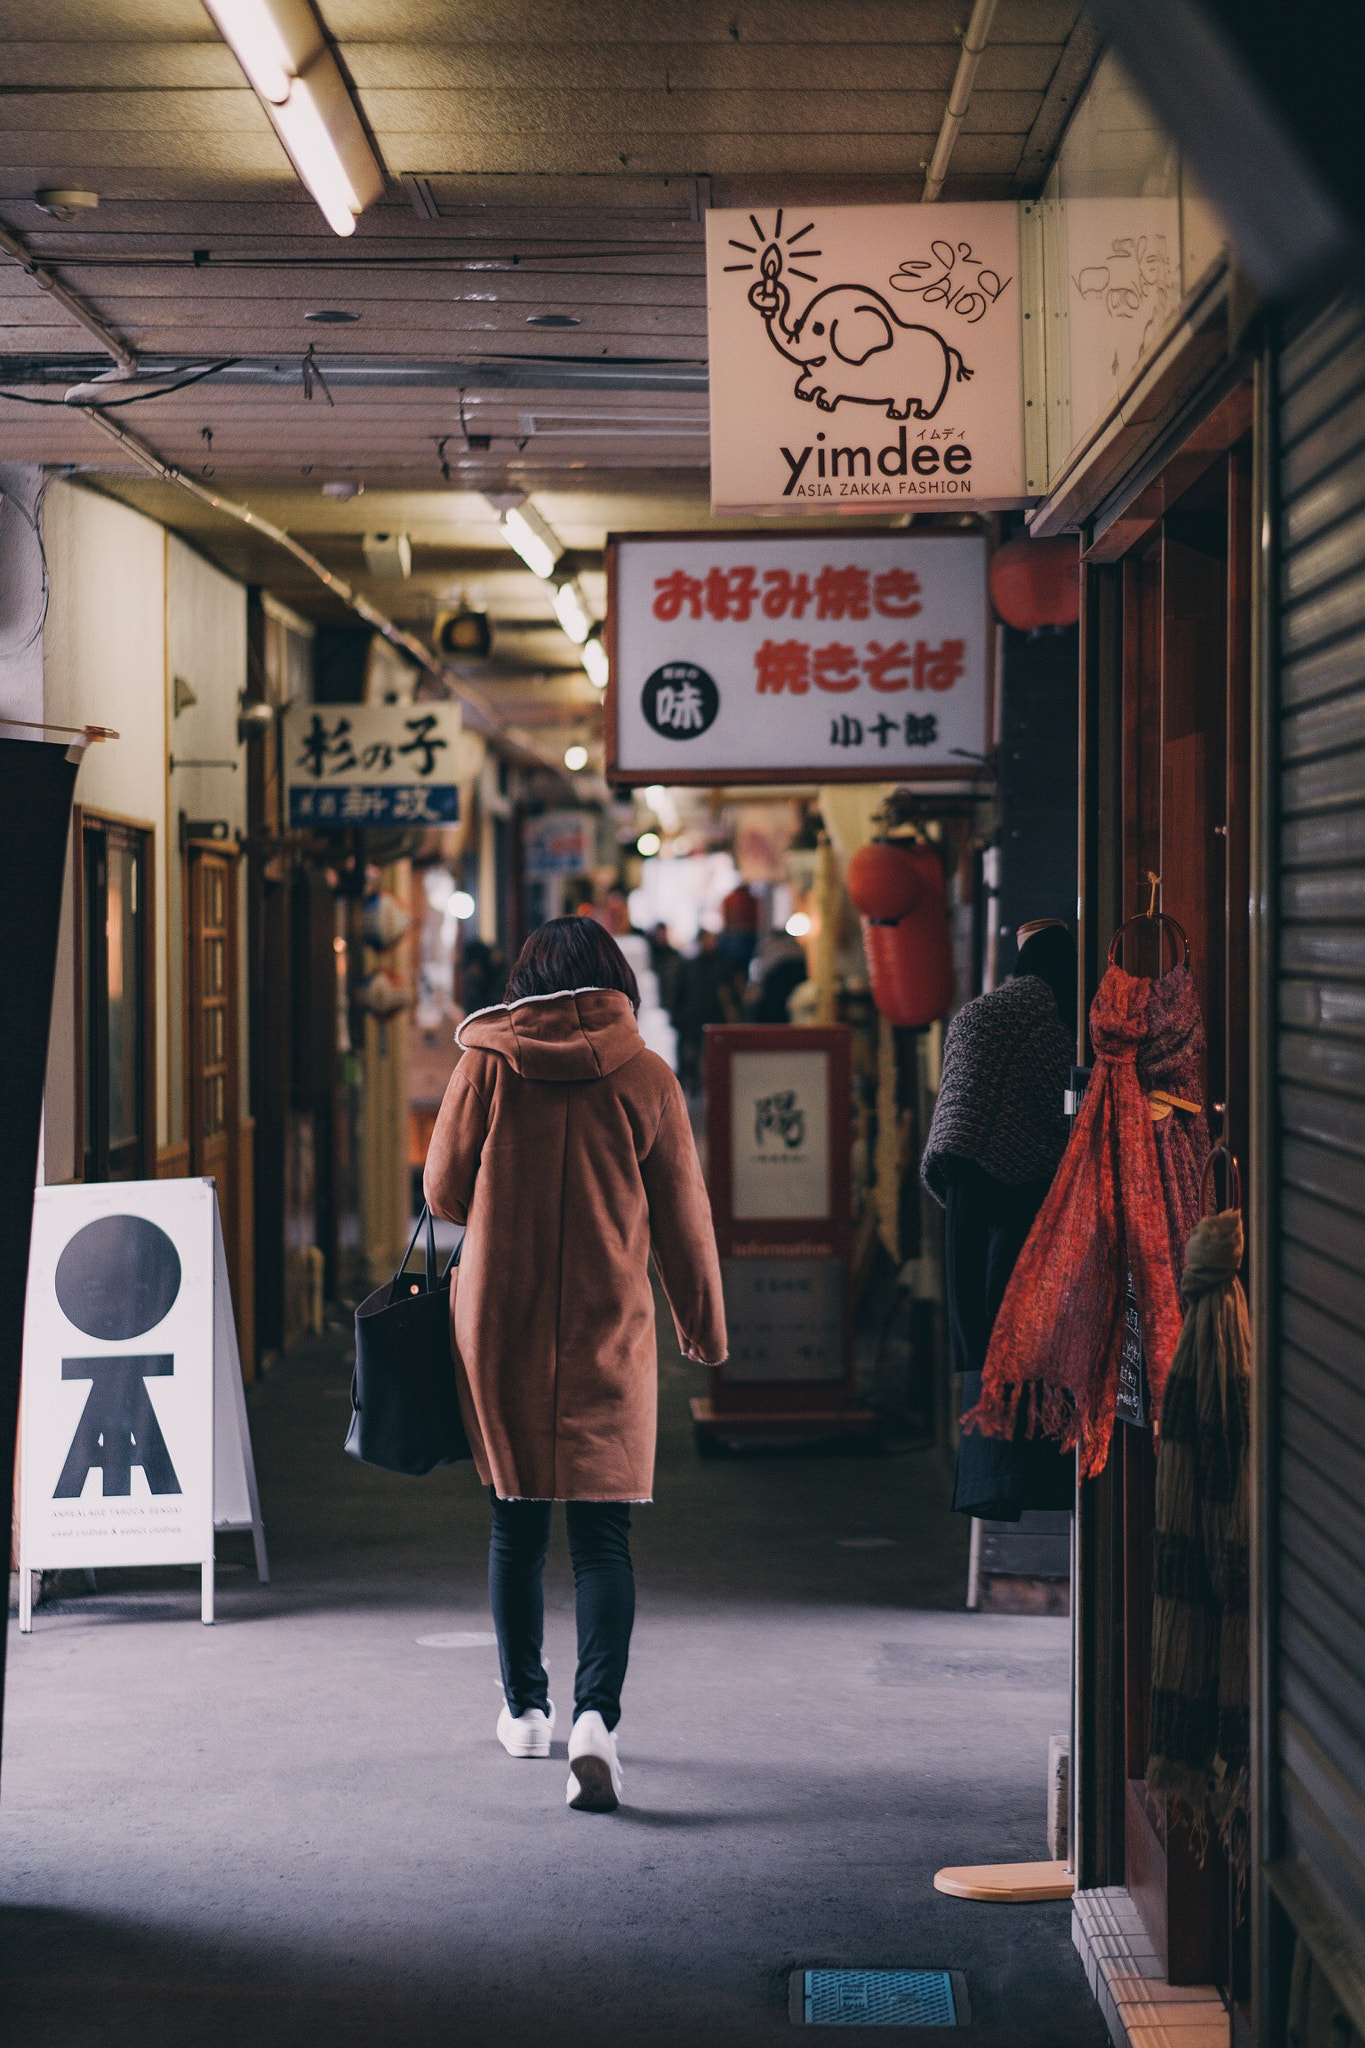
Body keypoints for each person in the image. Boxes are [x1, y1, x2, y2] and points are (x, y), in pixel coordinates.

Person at [423, 916, 727, 1812]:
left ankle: (525, 1709)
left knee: (513, 1525)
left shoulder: (487, 1062)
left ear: (528, 980)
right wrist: (703, 1329)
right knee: (603, 1539)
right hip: (608, 1324)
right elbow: (683, 1219)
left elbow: (441, 1193)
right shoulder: (646, 1077)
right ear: (612, 982)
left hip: (500, 1322)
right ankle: (596, 1722)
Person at [920, 920, 1077, 1521]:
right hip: (1049, 1234)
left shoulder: (986, 1020)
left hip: (1005, 1240)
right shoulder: (1070, 1020)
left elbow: (955, 1158)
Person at [672, 927, 740, 1094]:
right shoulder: (690, 965)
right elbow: (679, 992)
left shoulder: (722, 964)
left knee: (712, 1054)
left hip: (713, 1015)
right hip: (694, 1016)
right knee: (692, 1053)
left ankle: (711, 1085)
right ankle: (693, 1082)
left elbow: (732, 992)